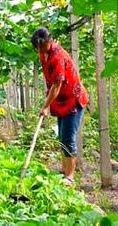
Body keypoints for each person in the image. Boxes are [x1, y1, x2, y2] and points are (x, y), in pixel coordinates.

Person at [31, 27, 89, 186]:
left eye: (41, 47)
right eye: (36, 47)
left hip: (73, 101)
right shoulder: (44, 54)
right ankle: (65, 171)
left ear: (49, 41)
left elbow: (56, 86)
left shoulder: (57, 57)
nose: (39, 50)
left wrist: (45, 106)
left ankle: (70, 177)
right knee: (62, 137)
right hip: (61, 100)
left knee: (68, 137)